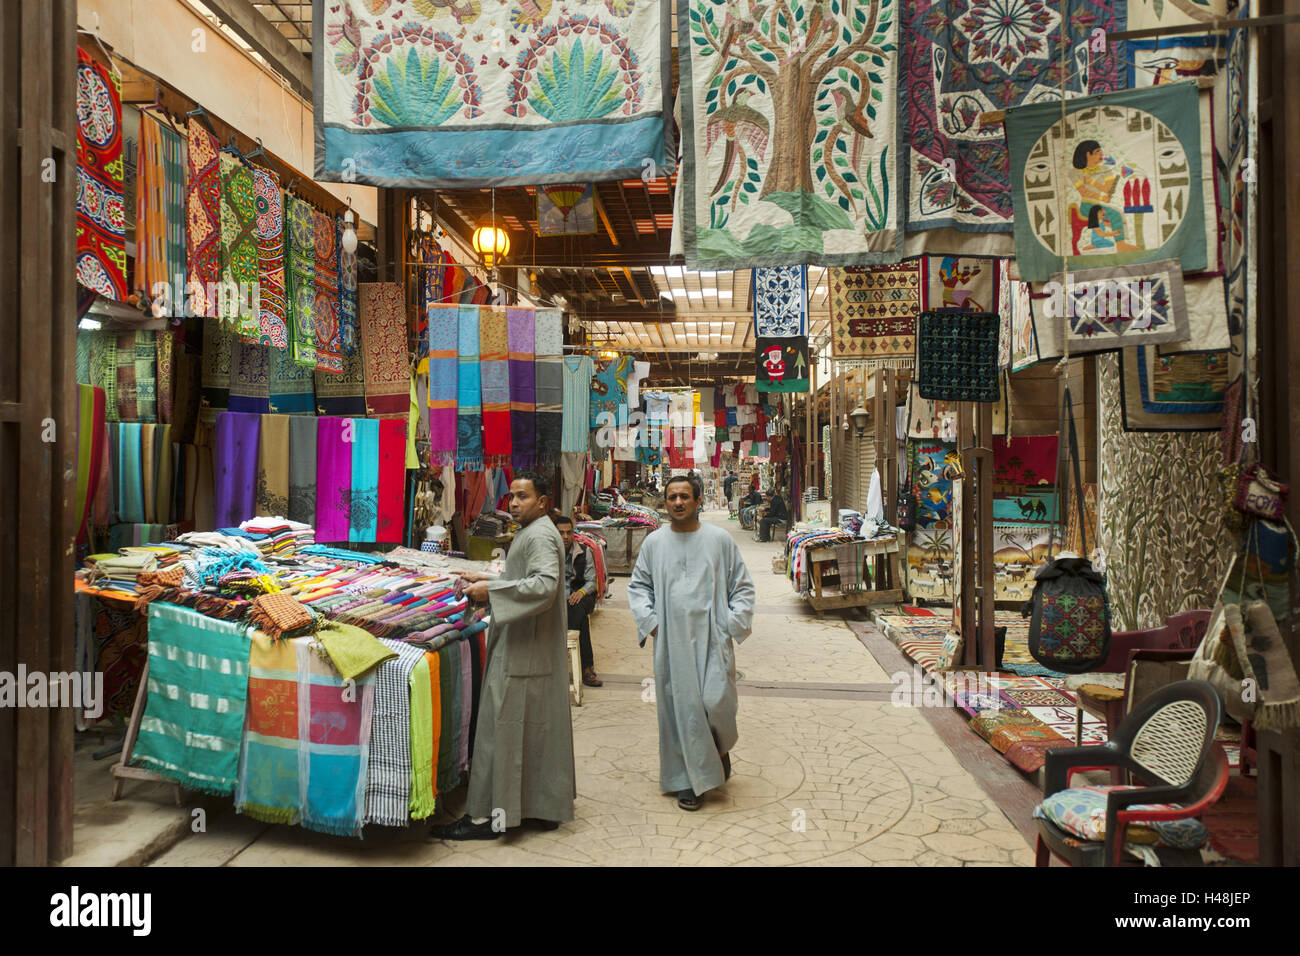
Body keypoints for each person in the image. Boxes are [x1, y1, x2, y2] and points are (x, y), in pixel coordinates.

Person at [430, 471, 575, 840]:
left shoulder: (540, 535)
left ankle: (487, 818)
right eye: (511, 497)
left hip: (524, 649)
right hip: (532, 647)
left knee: (502, 730)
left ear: (542, 502)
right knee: (536, 728)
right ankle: (541, 806)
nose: (512, 503)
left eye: (522, 497)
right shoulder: (536, 532)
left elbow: (544, 585)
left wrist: (491, 594)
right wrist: (487, 581)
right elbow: (525, 579)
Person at [628, 474, 755, 812]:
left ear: (698, 501)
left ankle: (720, 748)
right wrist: (652, 624)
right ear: (666, 502)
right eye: (672, 497)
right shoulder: (654, 543)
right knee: (681, 711)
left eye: (685, 496)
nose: (678, 502)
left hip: (713, 638)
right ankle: (689, 781)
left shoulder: (720, 540)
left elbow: (742, 587)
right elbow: (639, 587)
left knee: (716, 702)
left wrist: (731, 624)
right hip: (672, 643)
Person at [555, 515, 601, 688]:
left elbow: (591, 580)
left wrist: (581, 592)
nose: (565, 537)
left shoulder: (584, 550)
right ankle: (587, 667)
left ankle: (565, 651)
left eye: (569, 532)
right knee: (580, 618)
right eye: (561, 533)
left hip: (580, 596)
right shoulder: (550, 552)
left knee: (577, 607)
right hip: (558, 598)